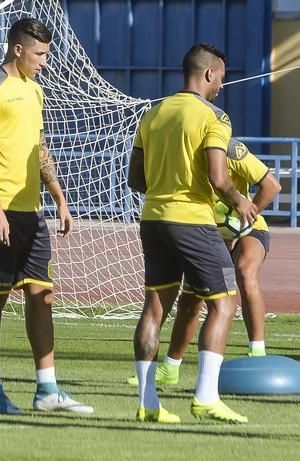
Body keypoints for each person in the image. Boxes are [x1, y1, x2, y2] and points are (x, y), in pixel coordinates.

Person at [127, 43, 258, 423]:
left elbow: (136, 178)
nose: (221, 85)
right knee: (225, 300)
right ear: (208, 74)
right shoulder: (215, 117)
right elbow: (219, 177)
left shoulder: (153, 113)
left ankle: (148, 402)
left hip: (153, 218)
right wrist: (239, 202)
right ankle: (205, 397)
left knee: (154, 309)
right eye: (221, 78)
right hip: (193, 221)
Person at [0, 18, 93, 415]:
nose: (44, 62)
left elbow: (39, 149)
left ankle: (47, 391)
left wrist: (59, 197)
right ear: (18, 49)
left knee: (42, 297)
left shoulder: (35, 91)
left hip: (32, 213)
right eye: (39, 54)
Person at [127, 139, 281, 386]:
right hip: (208, 237)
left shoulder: (231, 150)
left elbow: (272, 186)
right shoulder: (182, 157)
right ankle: (170, 368)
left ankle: (257, 351)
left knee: (244, 270)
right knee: (191, 300)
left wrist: (243, 221)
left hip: (247, 230)